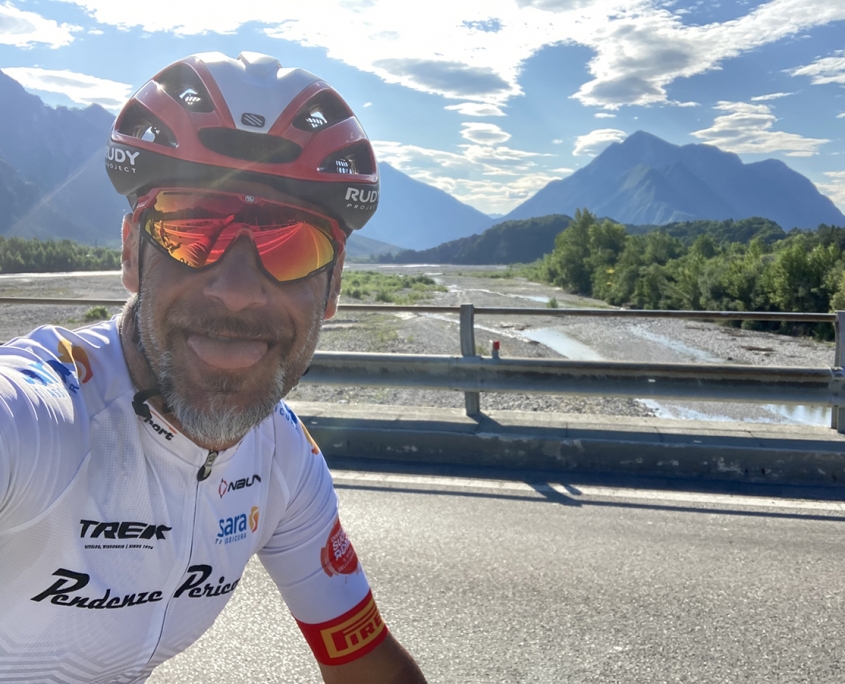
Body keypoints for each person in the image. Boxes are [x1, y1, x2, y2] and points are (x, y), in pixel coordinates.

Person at [0, 51, 426, 683]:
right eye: (190, 230)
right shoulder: (44, 419)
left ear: (333, 288)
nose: (236, 290)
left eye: (293, 244)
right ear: (131, 254)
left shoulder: (282, 458)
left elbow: (363, 662)